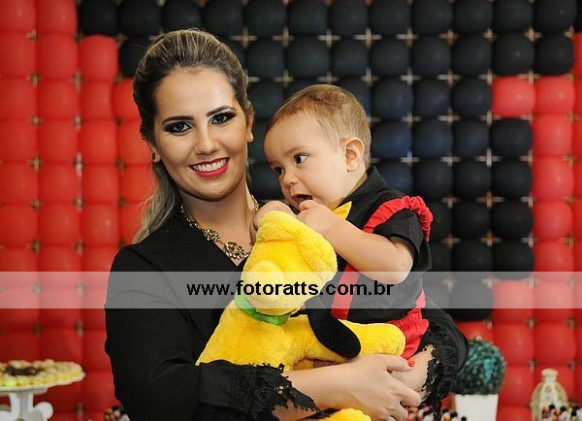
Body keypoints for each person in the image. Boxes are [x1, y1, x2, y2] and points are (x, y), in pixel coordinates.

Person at [105, 29, 424, 421]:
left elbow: (435, 327)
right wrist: (337, 386)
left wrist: (402, 380)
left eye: (221, 118)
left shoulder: (316, 222)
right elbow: (160, 399)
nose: (206, 144)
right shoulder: (143, 268)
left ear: (249, 121)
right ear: (153, 144)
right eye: (179, 127)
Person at [258, 84, 468, 409]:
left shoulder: (390, 207)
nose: (287, 179)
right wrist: (275, 218)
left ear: (350, 155)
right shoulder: (312, 215)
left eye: (299, 159)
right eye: (278, 169)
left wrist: (333, 228)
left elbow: (395, 268)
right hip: (330, 349)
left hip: (389, 347)